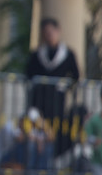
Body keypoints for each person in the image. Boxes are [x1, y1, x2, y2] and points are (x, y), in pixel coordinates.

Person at [25, 17, 80, 152]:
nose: (49, 35)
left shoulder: (67, 54)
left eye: (51, 31)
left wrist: (65, 86)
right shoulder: (38, 54)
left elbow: (75, 75)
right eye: (46, 32)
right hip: (39, 98)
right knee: (39, 127)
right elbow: (28, 73)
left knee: (57, 129)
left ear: (58, 31)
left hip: (57, 99)